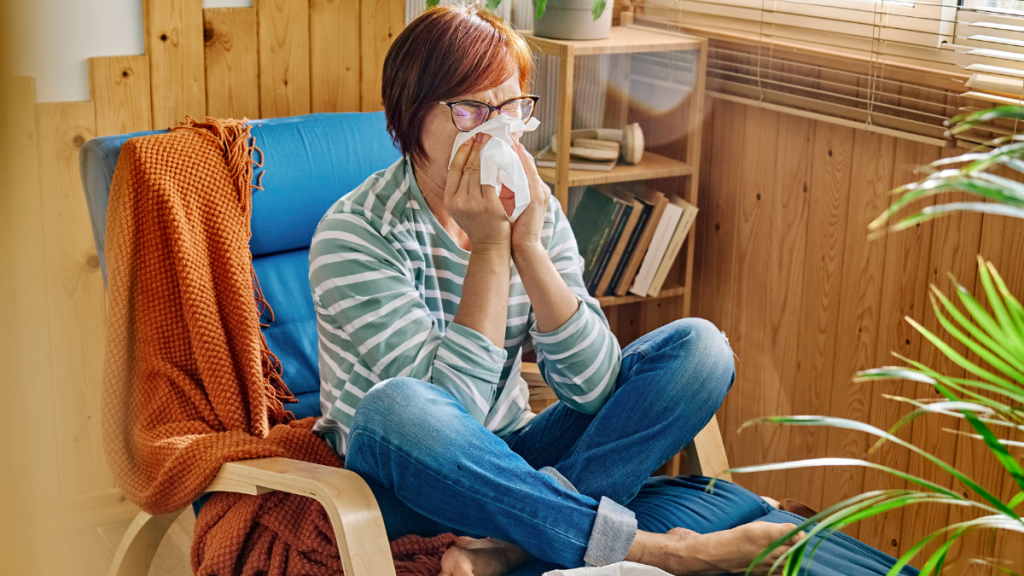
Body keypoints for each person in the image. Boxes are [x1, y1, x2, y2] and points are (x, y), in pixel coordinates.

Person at [309, 5, 915, 576]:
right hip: (409, 477)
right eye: (472, 110)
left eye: (511, 109)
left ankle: (521, 542)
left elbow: (594, 389)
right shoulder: (354, 234)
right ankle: (664, 550)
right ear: (408, 117)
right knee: (399, 409)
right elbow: (452, 414)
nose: (498, 133)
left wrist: (529, 247)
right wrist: (491, 252)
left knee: (701, 350)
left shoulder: (530, 209)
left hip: (522, 459)